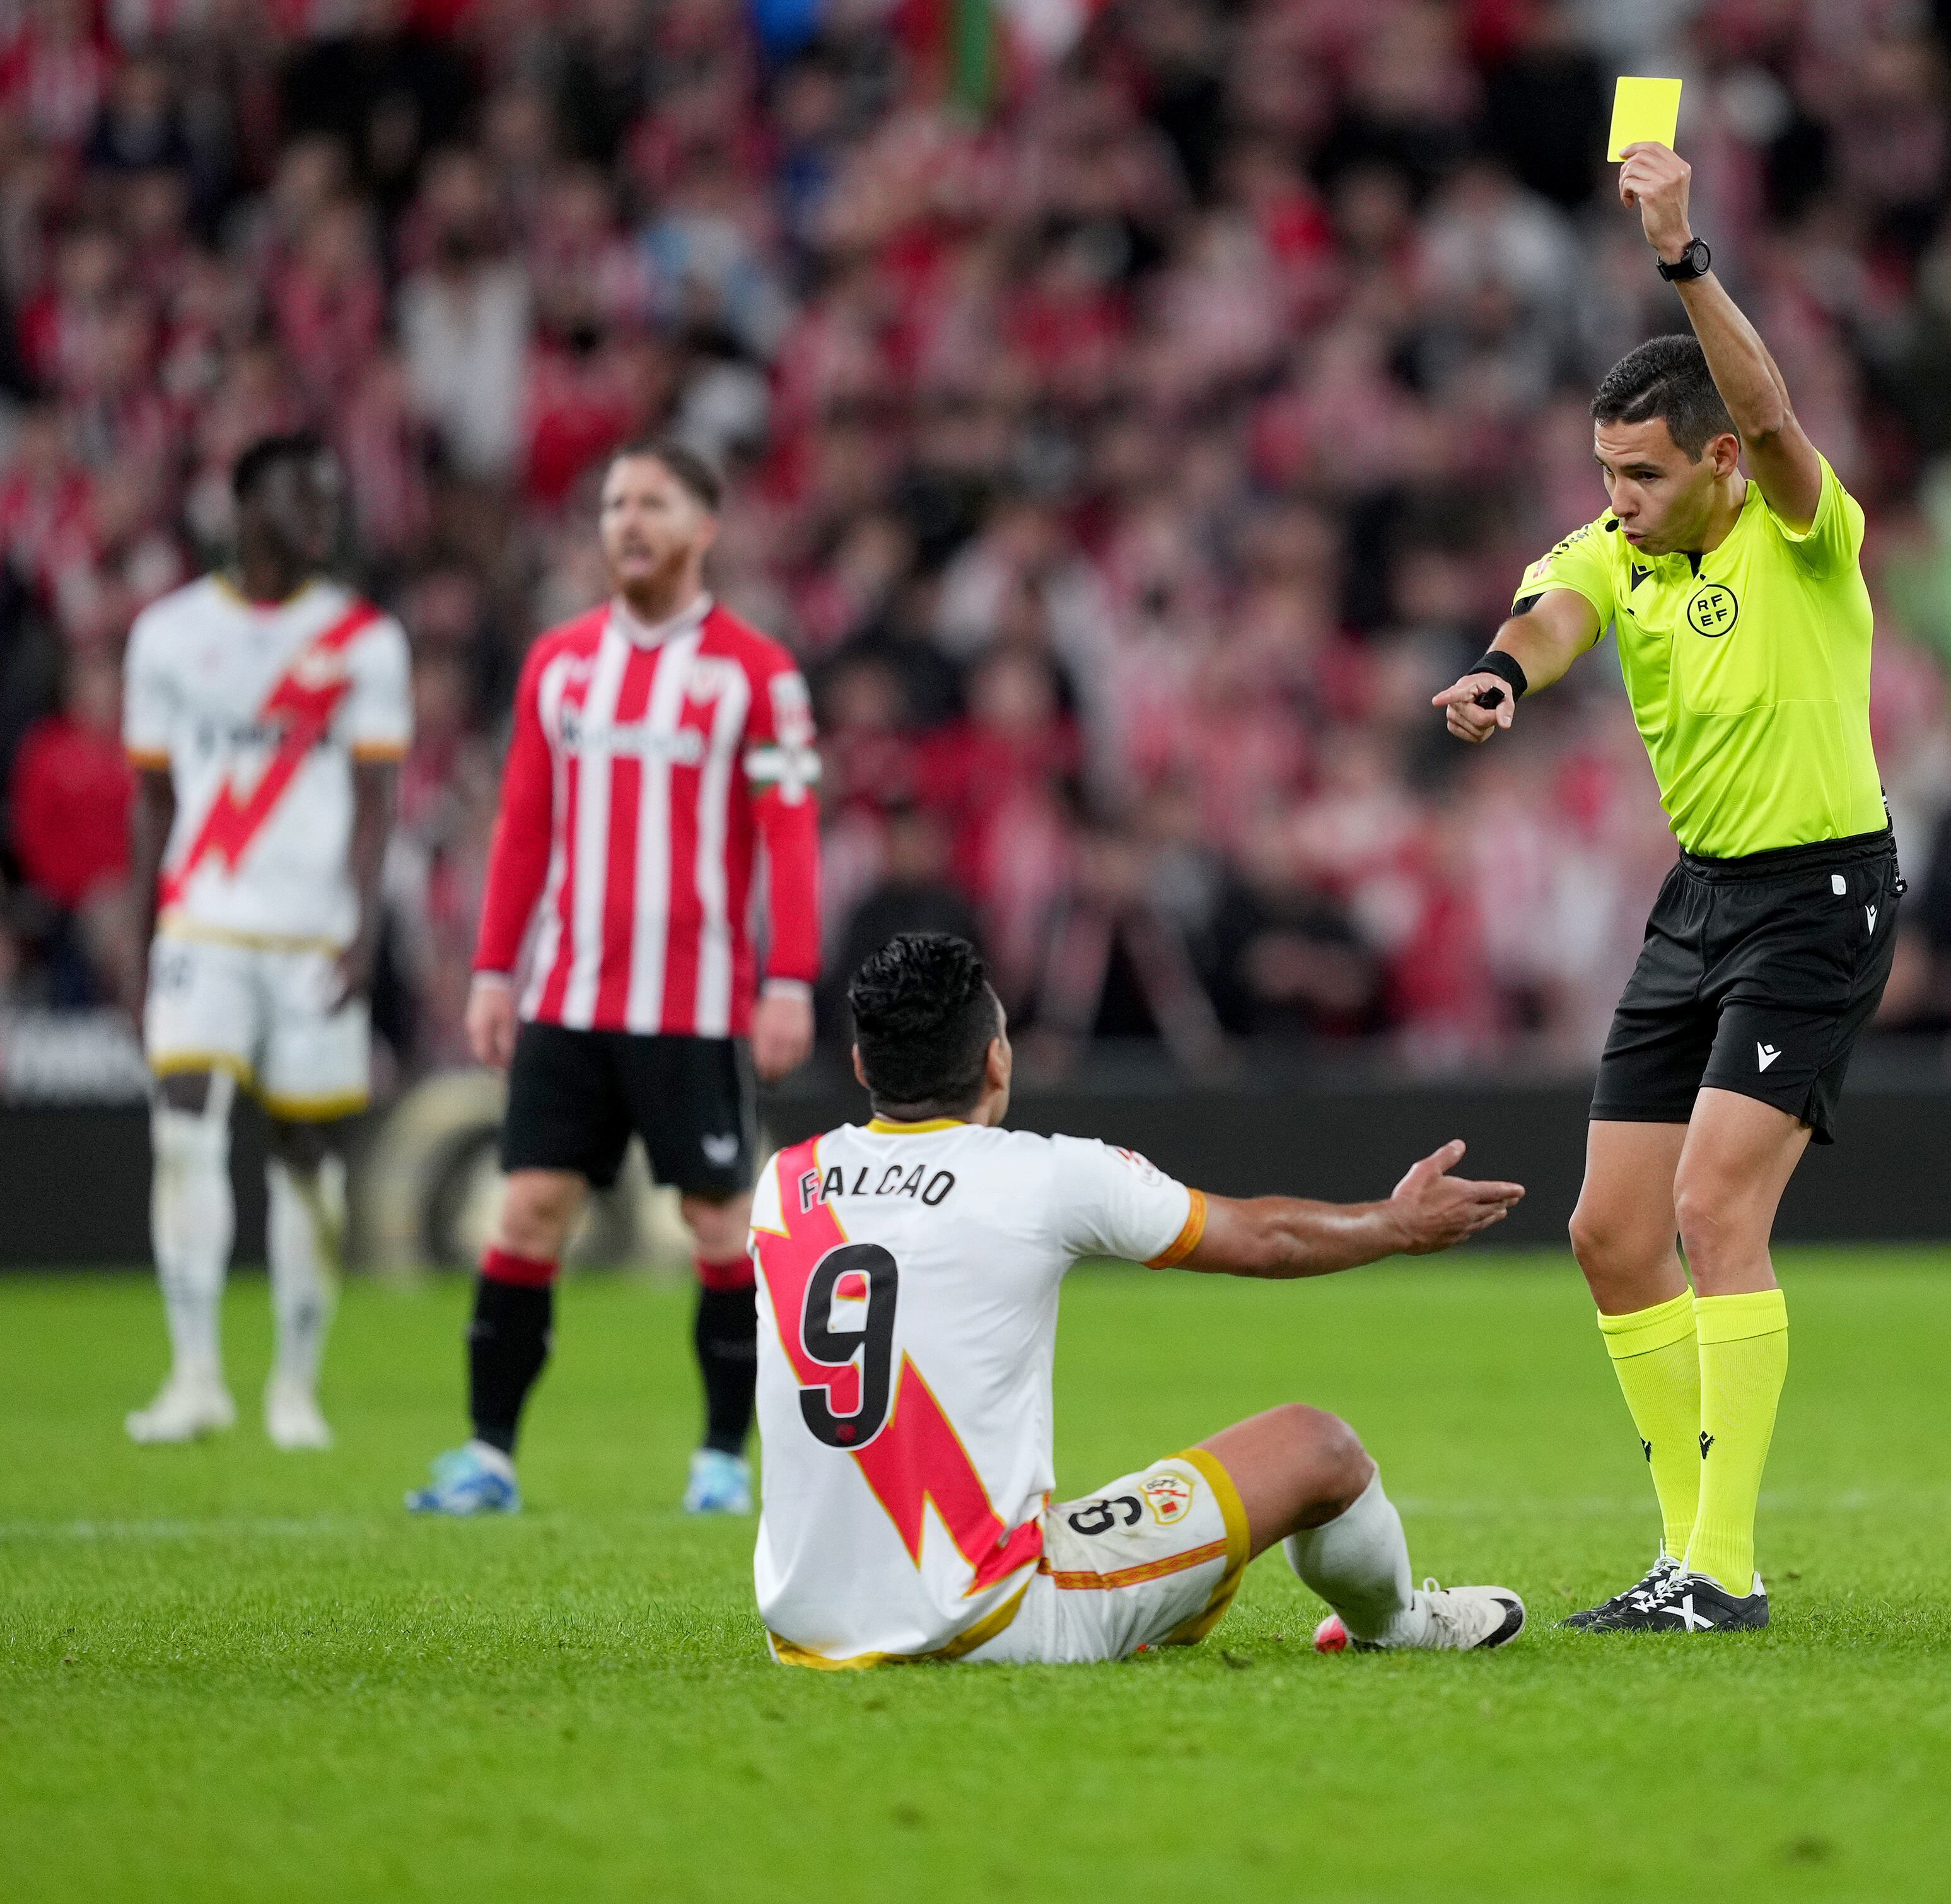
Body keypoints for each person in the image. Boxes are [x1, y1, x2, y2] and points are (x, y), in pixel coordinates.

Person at [1430, 142, 1896, 1633]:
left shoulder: (1803, 534)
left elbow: (1764, 409)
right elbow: (1555, 609)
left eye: (1639, 472)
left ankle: (1721, 1568)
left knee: (1711, 1206)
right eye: (1600, 474)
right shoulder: (1615, 546)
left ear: (1713, 467)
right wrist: (1502, 679)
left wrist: (1682, 254)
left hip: (1817, 898)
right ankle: (1683, 1556)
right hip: (1697, 902)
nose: (1614, 501)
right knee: (1609, 1233)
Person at [752, 930, 1528, 1666]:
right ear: (996, 1060)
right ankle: (1398, 1625)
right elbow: (1263, 1240)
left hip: (802, 1623)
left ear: (860, 1066)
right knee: (1317, 1447)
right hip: (989, 1614)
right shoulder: (1044, 1175)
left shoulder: (784, 1185)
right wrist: (1397, 1224)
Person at [408, 438, 821, 1517]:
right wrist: (494, 970)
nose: (627, 522)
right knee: (531, 1208)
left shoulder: (761, 676)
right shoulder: (558, 664)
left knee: (719, 1226)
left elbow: (793, 836)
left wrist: (791, 979)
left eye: (653, 503)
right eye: (612, 504)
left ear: (704, 527)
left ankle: (722, 1462)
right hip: (569, 1000)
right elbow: (523, 830)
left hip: (694, 1004)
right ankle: (488, 1455)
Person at [120, 433, 411, 1449]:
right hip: (203, 921)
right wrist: (142, 936)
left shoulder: (367, 640)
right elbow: (150, 797)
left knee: (307, 1162)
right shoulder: (165, 632)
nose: (325, 515)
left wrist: (366, 934)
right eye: (305, 495)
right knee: (183, 1132)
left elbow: (379, 804)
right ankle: (195, 1374)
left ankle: (295, 1387)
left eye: (334, 498)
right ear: (245, 500)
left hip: (313, 937)